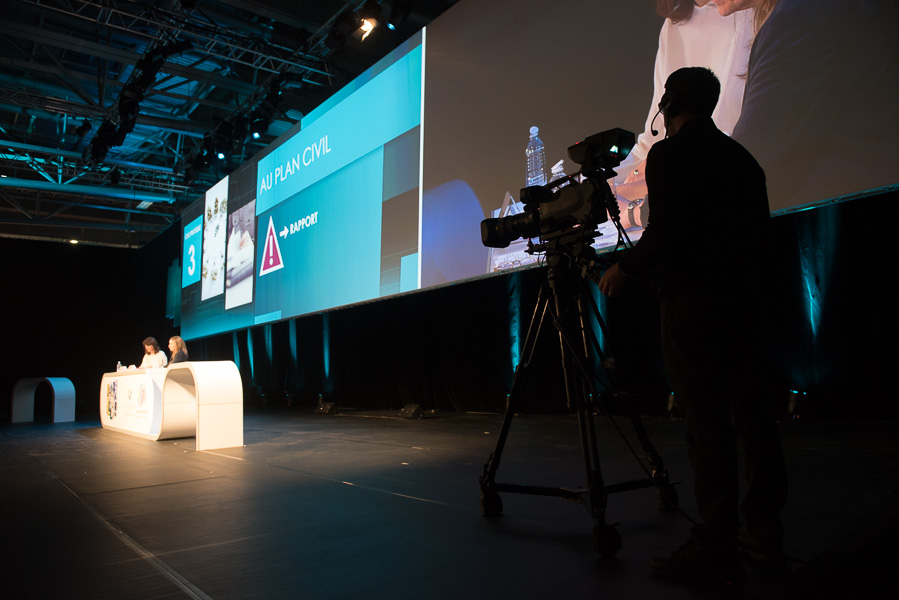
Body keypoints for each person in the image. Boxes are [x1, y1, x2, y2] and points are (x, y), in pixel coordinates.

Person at [599, 67, 787, 586]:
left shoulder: (668, 155)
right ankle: (764, 533)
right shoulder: (742, 159)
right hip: (742, 305)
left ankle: (716, 545)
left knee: (707, 426)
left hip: (690, 306)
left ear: (671, 100)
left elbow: (666, 232)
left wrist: (624, 270)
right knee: (754, 419)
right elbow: (759, 239)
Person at [614, 0, 754, 225]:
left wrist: (631, 207)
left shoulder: (746, 12)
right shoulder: (674, 24)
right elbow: (653, 136)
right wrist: (610, 183)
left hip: (713, 177)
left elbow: (734, 138)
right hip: (683, 169)